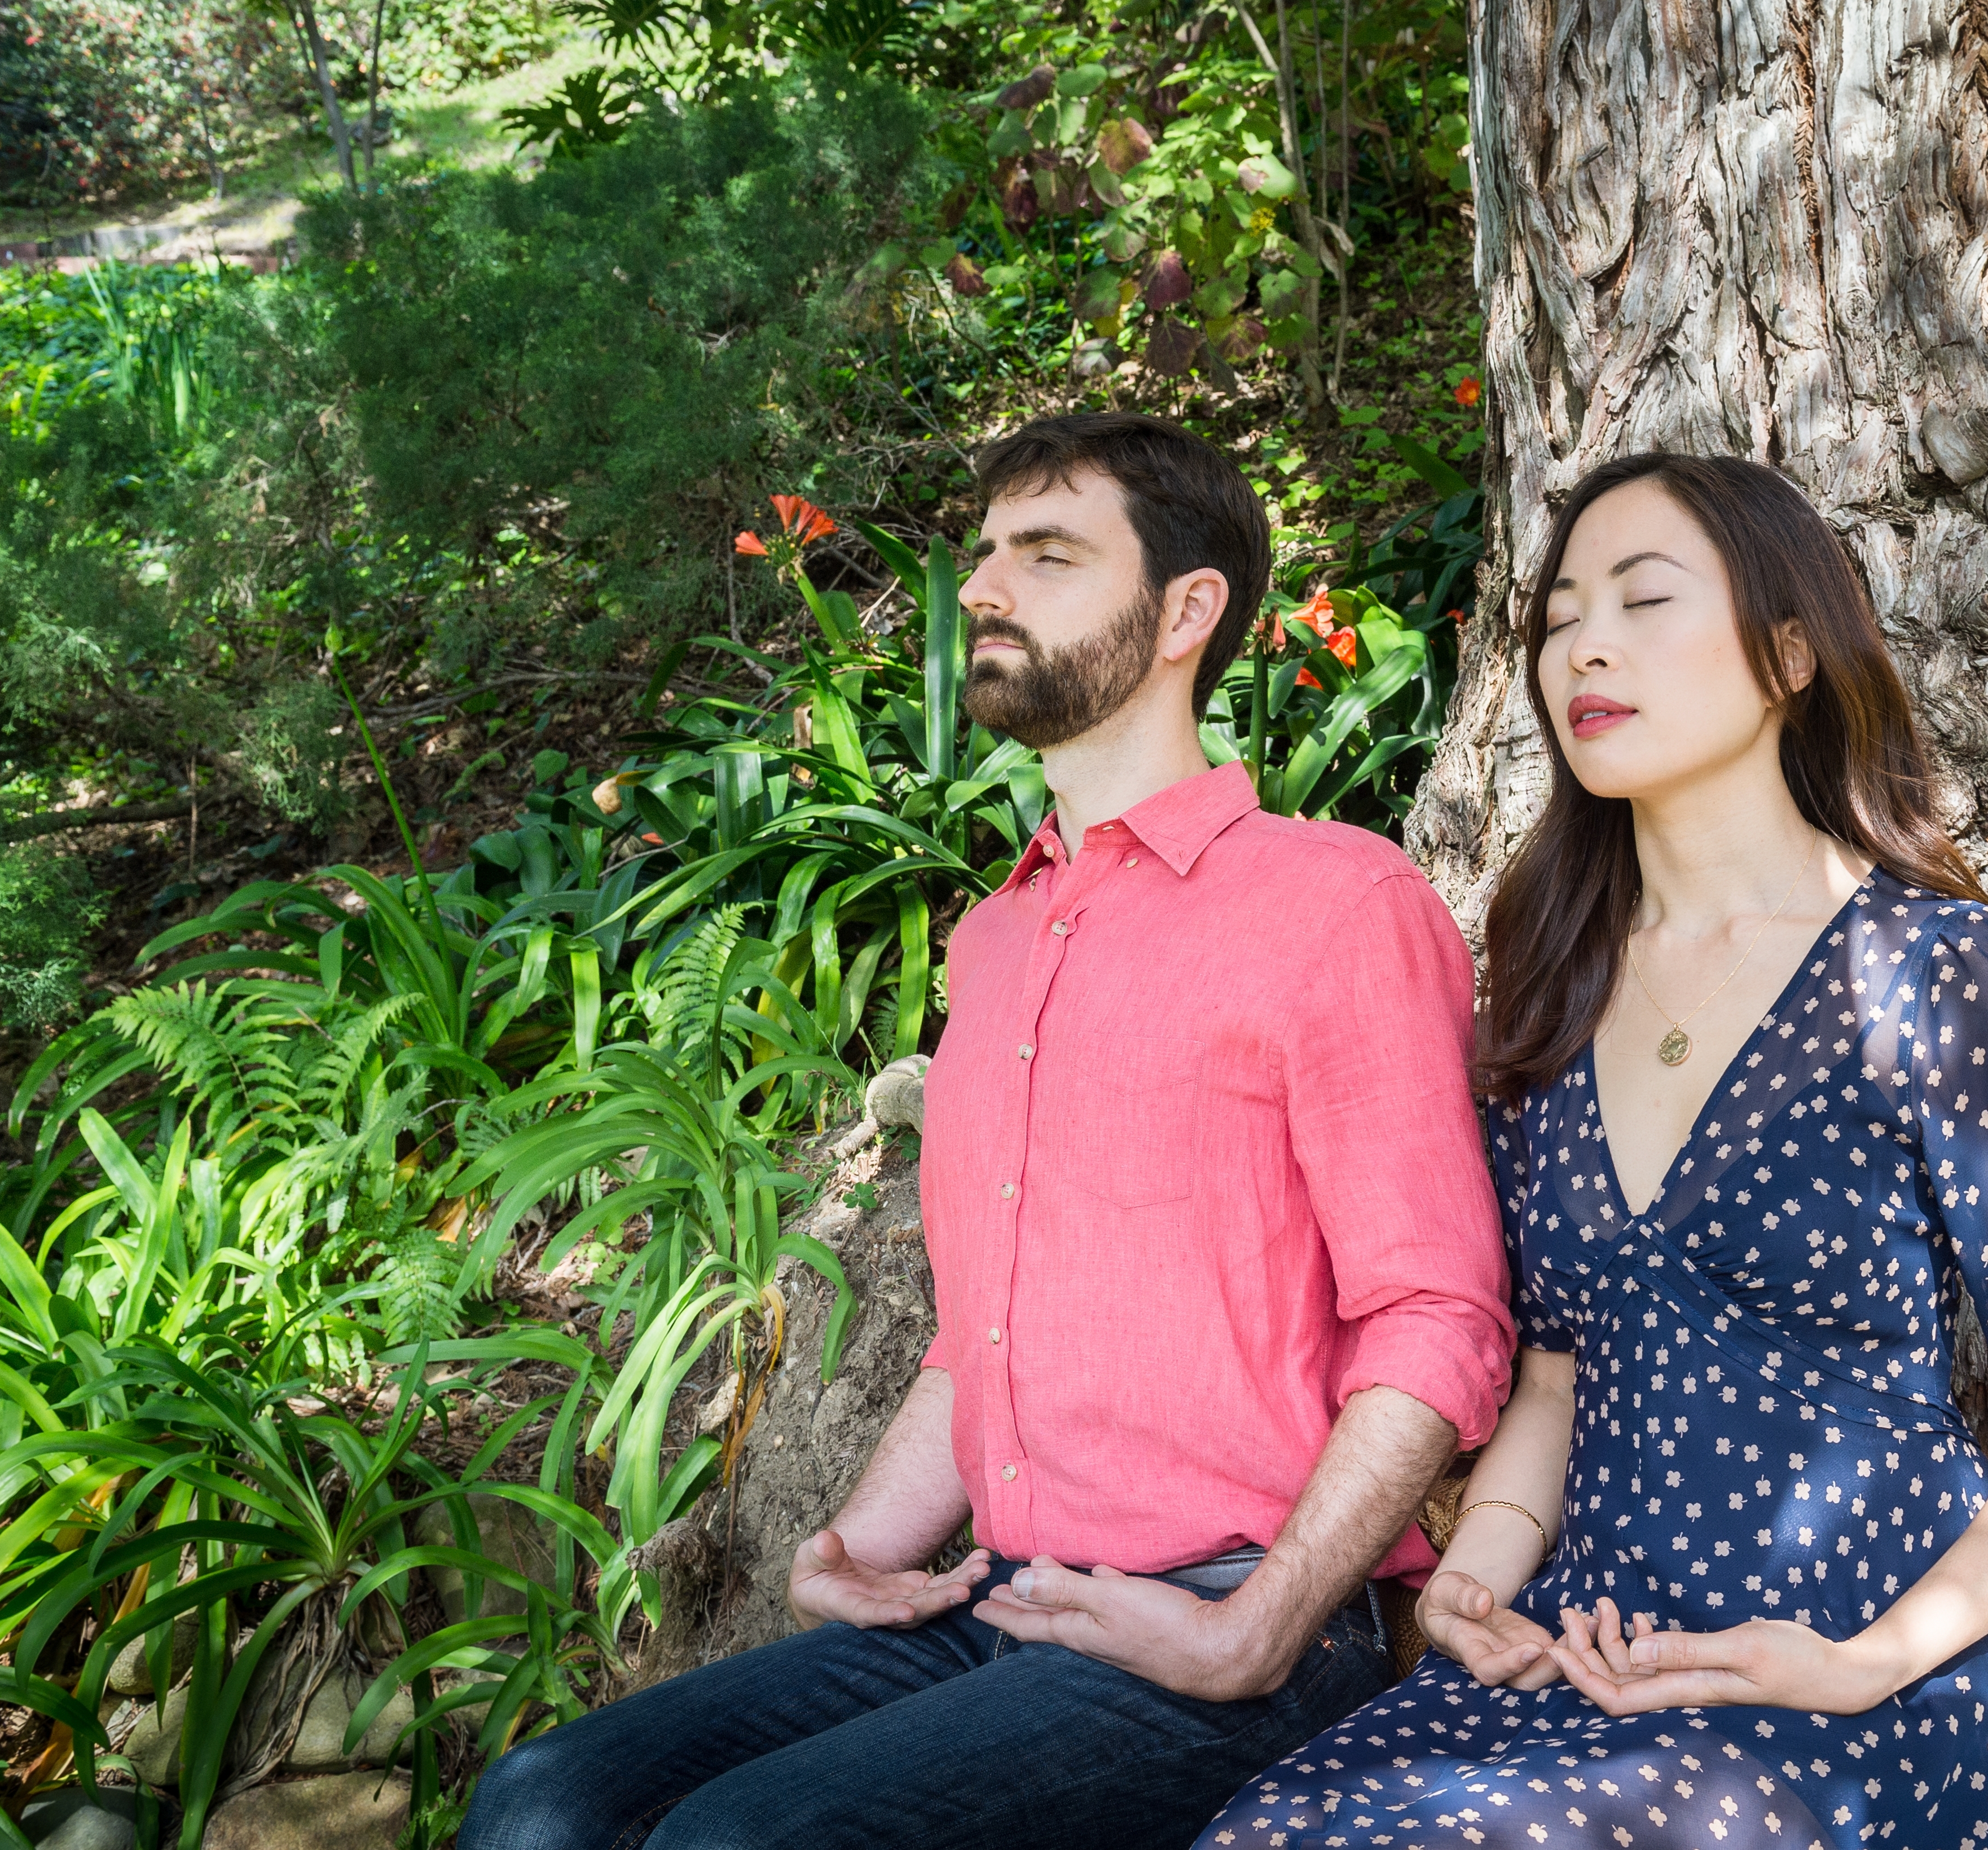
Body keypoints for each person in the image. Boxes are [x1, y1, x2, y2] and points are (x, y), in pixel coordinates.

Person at [458, 411, 1516, 1850]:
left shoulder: (1335, 906)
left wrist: (1258, 1627)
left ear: (1184, 611)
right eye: (980, 555)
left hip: (1230, 1618)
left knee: (736, 1841)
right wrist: (864, 1539)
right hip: (1004, 1595)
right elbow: (987, 1328)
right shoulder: (1001, 940)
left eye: (1046, 554)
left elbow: (1439, 1315)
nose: (980, 590)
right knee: (542, 1800)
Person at [1204, 453, 1988, 1850]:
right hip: (1589, 1654)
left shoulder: (1953, 973)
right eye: (1556, 616)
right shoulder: (1550, 987)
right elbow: (1554, 1375)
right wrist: (1473, 1583)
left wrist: (1860, 1661)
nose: (1580, 644)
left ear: (1790, 652)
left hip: (1868, 1672)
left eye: (1642, 599)